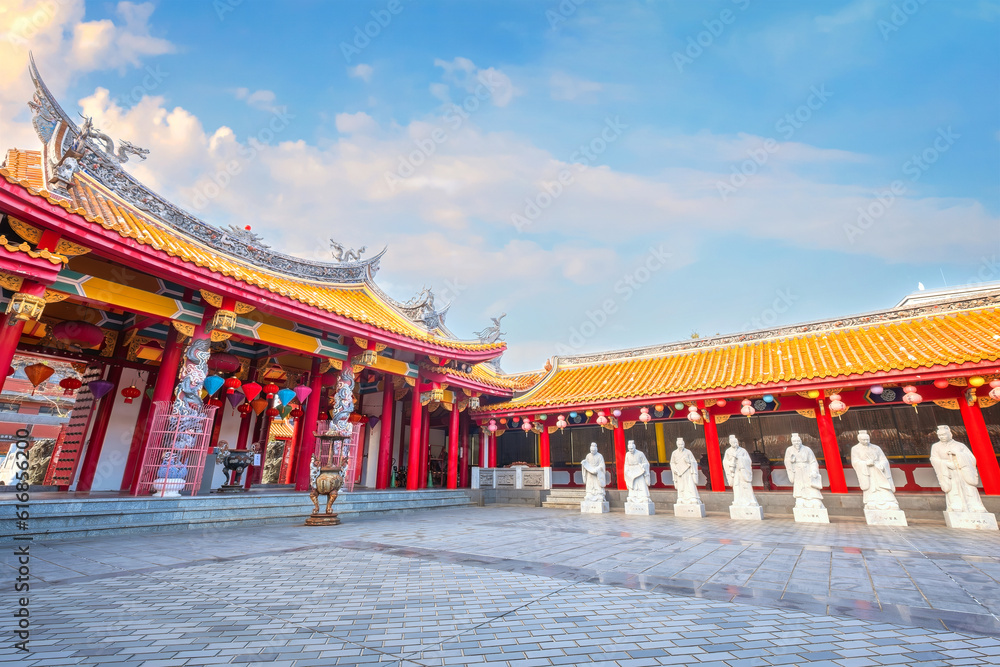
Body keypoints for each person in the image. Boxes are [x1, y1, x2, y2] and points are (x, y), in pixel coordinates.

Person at [930, 425, 987, 513]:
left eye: (944, 435)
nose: (942, 437)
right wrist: (945, 464)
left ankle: (974, 505)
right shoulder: (936, 446)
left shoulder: (960, 445)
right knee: (953, 490)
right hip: (948, 472)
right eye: (940, 435)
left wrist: (958, 455)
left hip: (962, 471)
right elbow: (934, 459)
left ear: (950, 434)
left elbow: (971, 458)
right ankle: (955, 505)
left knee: (969, 489)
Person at [850, 430, 900, 510]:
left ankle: (889, 500)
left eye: (867, 439)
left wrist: (881, 465)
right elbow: (855, 462)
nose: (866, 441)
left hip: (879, 470)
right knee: (871, 486)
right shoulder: (855, 449)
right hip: (867, 472)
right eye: (864, 440)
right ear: (859, 440)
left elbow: (884, 460)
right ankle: (871, 501)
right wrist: (865, 463)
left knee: (883, 487)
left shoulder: (876, 448)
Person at [784, 433, 824, 509]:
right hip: (797, 470)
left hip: (807, 469)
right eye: (795, 441)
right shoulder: (789, 450)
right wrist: (791, 461)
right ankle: (800, 499)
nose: (797, 443)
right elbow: (787, 461)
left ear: (801, 441)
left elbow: (813, 461)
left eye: (798, 441)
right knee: (799, 485)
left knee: (810, 486)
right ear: (792, 442)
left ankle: (814, 499)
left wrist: (814, 471)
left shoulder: (807, 449)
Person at [723, 435, 759, 507]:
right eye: (733, 442)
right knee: (737, 486)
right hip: (735, 472)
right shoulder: (728, 451)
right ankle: (738, 501)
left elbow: (748, 460)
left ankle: (750, 500)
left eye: (736, 442)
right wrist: (731, 464)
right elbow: (725, 462)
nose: (735, 443)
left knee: (746, 486)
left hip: (743, 471)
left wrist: (740, 459)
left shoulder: (742, 451)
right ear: (730, 443)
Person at [670, 438, 701, 505]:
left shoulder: (688, 452)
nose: (680, 446)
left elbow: (694, 462)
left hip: (687, 471)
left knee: (690, 484)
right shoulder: (674, 453)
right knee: (681, 486)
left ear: (684, 444)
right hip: (679, 472)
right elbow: (672, 463)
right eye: (679, 444)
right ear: (677, 445)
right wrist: (675, 470)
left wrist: (689, 461)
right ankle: (681, 497)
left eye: (682, 444)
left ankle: (692, 497)